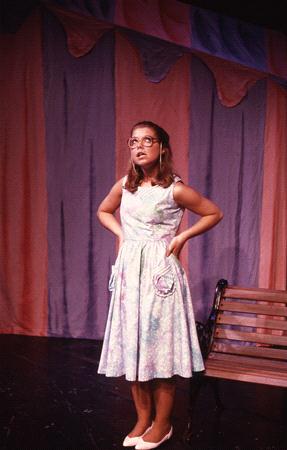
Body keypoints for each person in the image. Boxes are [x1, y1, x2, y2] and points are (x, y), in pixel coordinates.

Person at [97, 121, 223, 449]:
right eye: (133, 141)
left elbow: (213, 213)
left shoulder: (175, 189)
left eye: (147, 141)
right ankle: (142, 419)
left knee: (159, 349)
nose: (139, 147)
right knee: (134, 345)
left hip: (159, 273)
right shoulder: (126, 185)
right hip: (130, 273)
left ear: (162, 147)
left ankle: (163, 423)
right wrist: (123, 235)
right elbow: (104, 211)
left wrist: (181, 236)